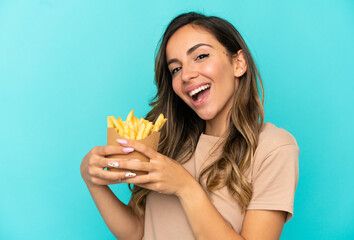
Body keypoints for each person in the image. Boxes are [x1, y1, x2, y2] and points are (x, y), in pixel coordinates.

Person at [80, 12, 299, 240]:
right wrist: (93, 182)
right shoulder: (169, 143)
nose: (186, 75)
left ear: (238, 63)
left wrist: (185, 187)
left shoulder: (273, 147)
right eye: (175, 69)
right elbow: (138, 232)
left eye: (201, 56)